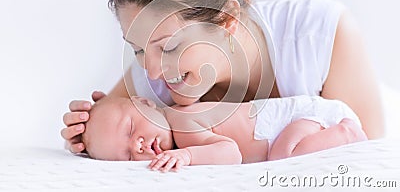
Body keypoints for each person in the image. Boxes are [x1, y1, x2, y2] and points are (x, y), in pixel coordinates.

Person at [61, 0, 385, 154]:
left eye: (170, 46)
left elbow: (366, 152)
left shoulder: (318, 34)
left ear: (227, 17)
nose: (153, 72)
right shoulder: (153, 74)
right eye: (137, 49)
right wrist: (84, 134)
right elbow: (110, 126)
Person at [81, 95, 367, 172]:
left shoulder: (182, 120)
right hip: (302, 120)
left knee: (283, 156)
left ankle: (346, 133)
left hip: (307, 117)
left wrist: (188, 156)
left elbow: (231, 153)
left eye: (131, 129)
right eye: (126, 155)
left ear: (146, 103)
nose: (138, 145)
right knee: (282, 154)